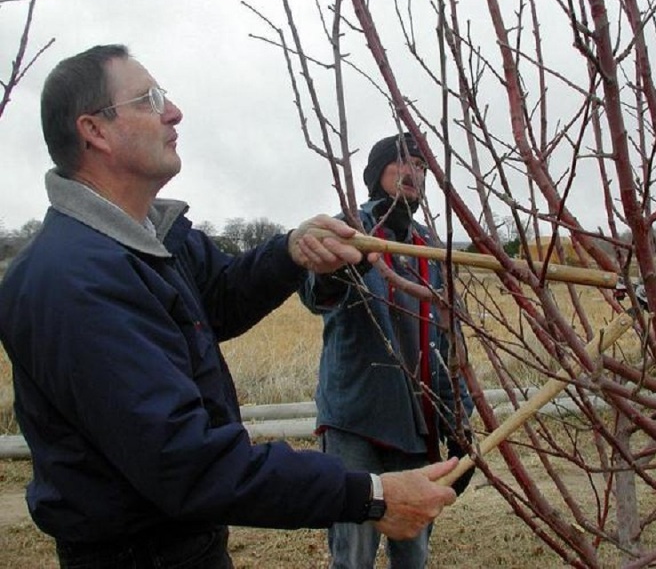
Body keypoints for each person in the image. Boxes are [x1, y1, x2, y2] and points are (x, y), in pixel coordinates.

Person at [0, 45, 460, 568]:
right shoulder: (77, 281)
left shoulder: (155, 238)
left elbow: (218, 297)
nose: (174, 112)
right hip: (136, 556)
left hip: (185, 543)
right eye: (150, 100)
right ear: (95, 131)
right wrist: (370, 496)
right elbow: (184, 462)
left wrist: (292, 248)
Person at [299, 133, 475, 568]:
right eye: (403, 162)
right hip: (358, 420)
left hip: (418, 424)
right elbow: (314, 290)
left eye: (422, 165)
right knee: (354, 552)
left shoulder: (431, 247)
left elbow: (447, 343)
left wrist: (460, 424)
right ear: (378, 172)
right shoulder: (350, 231)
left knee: (413, 549)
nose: (415, 172)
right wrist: (337, 271)